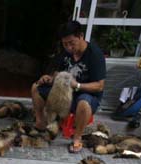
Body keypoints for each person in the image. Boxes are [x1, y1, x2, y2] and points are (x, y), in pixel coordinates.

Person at [31, 20, 106, 153]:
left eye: (72, 43)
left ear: (81, 36)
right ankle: (41, 123)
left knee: (83, 102)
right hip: (65, 92)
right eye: (65, 44)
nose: (69, 47)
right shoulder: (66, 51)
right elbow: (57, 71)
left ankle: (77, 138)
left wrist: (77, 85)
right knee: (36, 87)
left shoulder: (95, 54)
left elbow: (99, 86)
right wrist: (49, 78)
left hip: (85, 94)